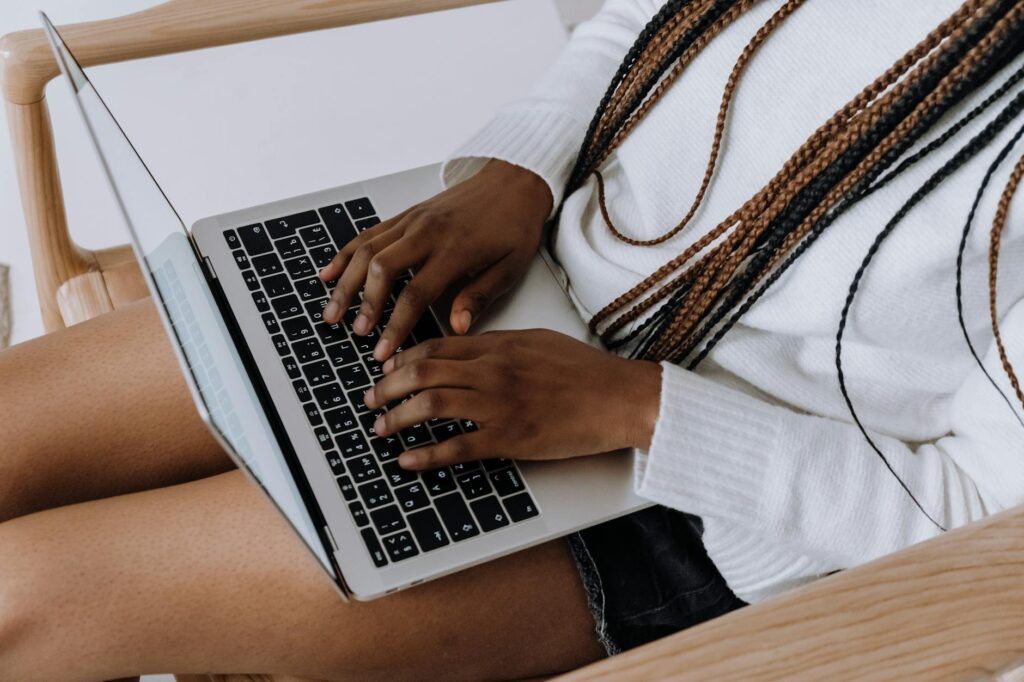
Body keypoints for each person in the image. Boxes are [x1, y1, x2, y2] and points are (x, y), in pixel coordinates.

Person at [2, 0, 1023, 679]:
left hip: (685, 505)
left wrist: (631, 405)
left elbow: (989, 527)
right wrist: (517, 172)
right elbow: (643, 14)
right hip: (509, 275)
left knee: (23, 594)